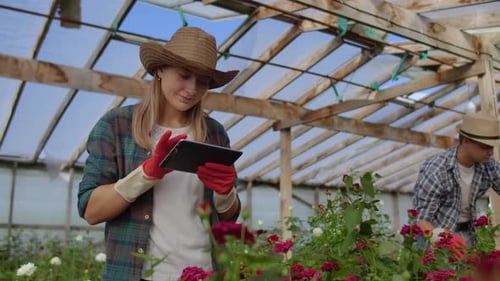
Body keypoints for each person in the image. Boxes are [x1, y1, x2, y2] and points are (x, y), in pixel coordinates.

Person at [77, 26, 241, 281]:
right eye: (184, 75)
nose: (192, 88)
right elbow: (91, 211)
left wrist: (225, 193)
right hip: (139, 274)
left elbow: (228, 217)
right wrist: (147, 173)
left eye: (202, 81)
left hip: (204, 273)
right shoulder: (117, 125)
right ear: (160, 70)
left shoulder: (215, 133)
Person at [412, 111, 500, 248]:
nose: (490, 152)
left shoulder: (488, 165)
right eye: (484, 147)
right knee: (439, 269)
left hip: (467, 233)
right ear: (466, 141)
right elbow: (421, 220)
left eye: (492, 147)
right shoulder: (437, 170)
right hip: (433, 238)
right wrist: (444, 238)